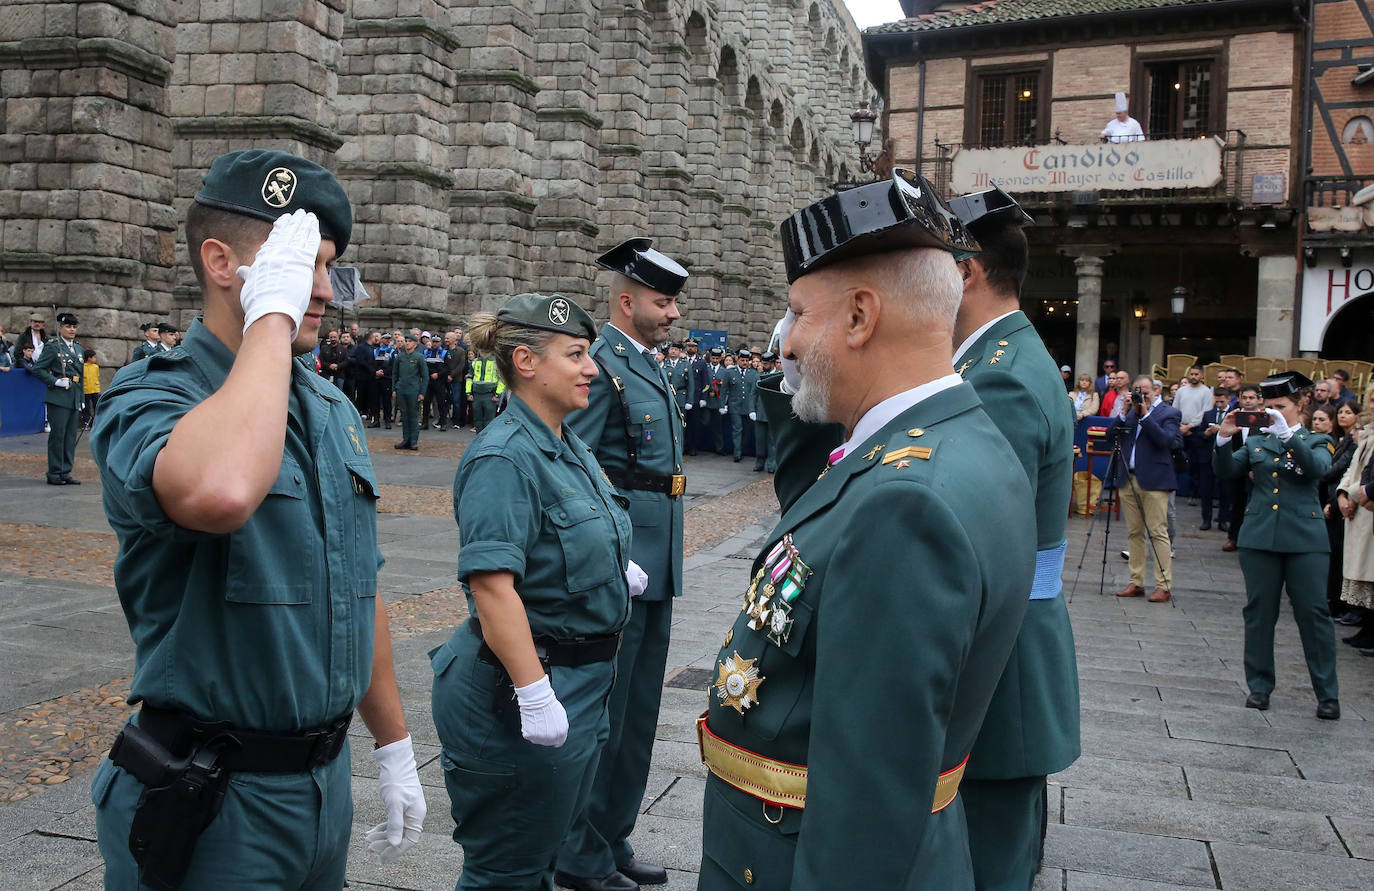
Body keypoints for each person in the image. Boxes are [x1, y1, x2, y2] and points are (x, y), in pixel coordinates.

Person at [88, 149, 424, 888]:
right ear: (221, 262)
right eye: (300, 261)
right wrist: (270, 315)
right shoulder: (153, 396)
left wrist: (394, 746)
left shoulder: (331, 409)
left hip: (320, 789)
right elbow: (221, 490)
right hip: (212, 799)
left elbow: (356, 589)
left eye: (328, 264)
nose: (325, 290)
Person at [698, 169, 1035, 889]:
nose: (785, 346)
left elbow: (869, 799)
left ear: (859, 316)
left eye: (797, 314)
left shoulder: (905, 504)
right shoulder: (953, 439)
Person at [435, 293, 639, 890]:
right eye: (575, 355)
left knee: (544, 853)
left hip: (583, 683)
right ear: (526, 361)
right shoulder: (504, 457)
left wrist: (612, 568)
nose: (592, 369)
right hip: (524, 688)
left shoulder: (567, 442)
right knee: (508, 871)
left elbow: (566, 539)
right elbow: (492, 588)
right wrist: (533, 693)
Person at [948, 183, 1079, 890]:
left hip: (1000, 665)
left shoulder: (996, 377)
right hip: (1010, 652)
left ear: (966, 270)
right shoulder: (998, 358)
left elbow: (975, 542)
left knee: (990, 863)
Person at [558, 238, 688, 891]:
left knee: (637, 714)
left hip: (656, 564)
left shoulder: (646, 363)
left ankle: (612, 835)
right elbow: (577, 471)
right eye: (662, 301)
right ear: (627, 299)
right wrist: (604, 557)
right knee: (605, 716)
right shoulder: (603, 366)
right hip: (621, 566)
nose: (671, 314)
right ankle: (579, 852)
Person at [1212, 371, 1340, 719]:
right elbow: (1227, 472)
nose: (1272, 415)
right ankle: (1259, 686)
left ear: (1301, 405)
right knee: (1259, 613)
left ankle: (1327, 693)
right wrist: (1224, 441)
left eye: (1280, 407)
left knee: (1314, 614)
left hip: (1305, 539)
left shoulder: (1317, 440)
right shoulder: (1257, 441)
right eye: (1268, 409)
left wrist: (1288, 435)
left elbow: (1317, 469)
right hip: (1260, 537)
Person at [1109, 374, 1182, 602]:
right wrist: (1124, 412)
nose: (1141, 395)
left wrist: (1145, 415)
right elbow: (1111, 437)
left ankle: (1163, 585)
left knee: (1158, 532)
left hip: (1155, 480)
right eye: (1137, 391)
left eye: (1146, 391)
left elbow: (1165, 440)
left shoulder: (1169, 413)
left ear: (1157, 391)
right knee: (1134, 532)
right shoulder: (1130, 412)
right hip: (1128, 479)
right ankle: (1136, 581)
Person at [31, 312, 85, 485]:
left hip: (74, 397)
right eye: (68, 326)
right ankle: (54, 472)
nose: (71, 330)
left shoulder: (78, 348)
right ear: (60, 328)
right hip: (59, 397)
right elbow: (38, 369)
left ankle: (65, 471)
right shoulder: (54, 347)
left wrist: (81, 397)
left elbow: (81, 375)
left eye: (74, 327)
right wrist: (54, 381)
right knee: (58, 436)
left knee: (70, 437)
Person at [1316, 404, 1358, 620]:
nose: (1343, 416)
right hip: (1334, 497)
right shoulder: (1343, 440)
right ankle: (1335, 599)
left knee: (1341, 554)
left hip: (1342, 500)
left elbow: (1338, 469)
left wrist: (1337, 497)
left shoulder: (1352, 442)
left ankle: (1343, 603)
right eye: (1340, 412)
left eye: (1348, 413)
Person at [1335, 412, 1374, 646]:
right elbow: (1353, 470)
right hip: (1356, 507)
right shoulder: (1366, 437)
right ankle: (1366, 627)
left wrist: (1354, 494)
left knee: (1369, 572)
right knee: (1359, 572)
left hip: (1366, 507)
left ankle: (1369, 629)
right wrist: (1342, 494)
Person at [1223, 383, 1264, 552]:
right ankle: (1233, 537)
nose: (1248, 401)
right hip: (1237, 466)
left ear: (1258, 399)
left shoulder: (1264, 418)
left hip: (1258, 468)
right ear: (1238, 399)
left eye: (1251, 398)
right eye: (1244, 398)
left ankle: (1254, 539)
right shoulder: (1233, 416)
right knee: (1237, 503)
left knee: (1256, 504)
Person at [1197, 387, 1232, 531]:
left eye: (1222, 402)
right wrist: (1206, 433)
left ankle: (1223, 520)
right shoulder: (1208, 414)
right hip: (1208, 457)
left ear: (1228, 399)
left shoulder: (1233, 414)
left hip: (1226, 456)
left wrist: (1223, 431)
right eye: (1217, 402)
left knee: (1225, 491)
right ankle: (1206, 520)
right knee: (1206, 490)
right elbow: (1199, 434)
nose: (1219, 405)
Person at [1175, 364, 1211, 499]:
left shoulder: (1206, 391)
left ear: (1202, 376)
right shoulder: (1181, 391)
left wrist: (1190, 426)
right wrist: (1179, 426)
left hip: (1196, 430)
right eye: (1192, 374)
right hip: (1179, 428)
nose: (1194, 377)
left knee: (1195, 463)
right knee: (1177, 459)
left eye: (1196, 374)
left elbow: (1205, 412)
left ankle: (1194, 493)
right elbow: (1175, 409)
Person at [392, 332, 426, 450]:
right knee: (404, 416)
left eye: (410, 341)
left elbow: (425, 376)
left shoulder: (419, 357)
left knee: (413, 416)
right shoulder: (400, 357)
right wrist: (394, 389)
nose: (407, 343)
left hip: (413, 390)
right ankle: (405, 439)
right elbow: (395, 374)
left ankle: (413, 441)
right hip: (402, 389)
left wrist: (422, 393)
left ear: (415, 344)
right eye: (406, 341)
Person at [467, 344, 504, 432]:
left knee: (489, 420)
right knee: (477, 419)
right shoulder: (475, 362)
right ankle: (479, 439)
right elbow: (469, 377)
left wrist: (497, 395)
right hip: (476, 395)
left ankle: (487, 441)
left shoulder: (496, 362)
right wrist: (468, 393)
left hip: (490, 395)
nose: (484, 351)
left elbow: (502, 380)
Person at [724, 348, 751, 462]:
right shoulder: (730, 372)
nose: (744, 363)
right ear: (737, 360)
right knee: (737, 429)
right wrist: (723, 404)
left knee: (747, 431)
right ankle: (737, 453)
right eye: (742, 360)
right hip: (734, 405)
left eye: (746, 360)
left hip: (748, 406)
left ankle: (742, 449)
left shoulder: (753, 373)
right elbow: (724, 390)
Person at [750, 353, 776, 472]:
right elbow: (753, 394)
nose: (763, 366)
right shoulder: (758, 376)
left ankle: (772, 464)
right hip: (760, 412)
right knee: (760, 441)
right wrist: (752, 410)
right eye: (762, 363)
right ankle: (759, 462)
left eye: (765, 364)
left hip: (773, 414)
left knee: (772, 442)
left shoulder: (778, 376)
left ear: (772, 363)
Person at [444, 330, 468, 429]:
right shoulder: (444, 351)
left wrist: (452, 375)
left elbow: (461, 365)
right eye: (445, 338)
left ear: (454, 340)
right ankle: (443, 420)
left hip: (456, 379)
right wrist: (446, 375)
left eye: (447, 338)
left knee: (456, 401)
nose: (445, 340)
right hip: (445, 378)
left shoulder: (461, 351)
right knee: (445, 400)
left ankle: (456, 421)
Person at [81, 348, 102, 430]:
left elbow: (97, 376)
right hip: (86, 390)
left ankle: (96, 422)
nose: (95, 359)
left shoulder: (95, 367)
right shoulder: (82, 367)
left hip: (95, 389)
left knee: (96, 406)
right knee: (86, 408)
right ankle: (86, 422)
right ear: (89, 358)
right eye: (94, 357)